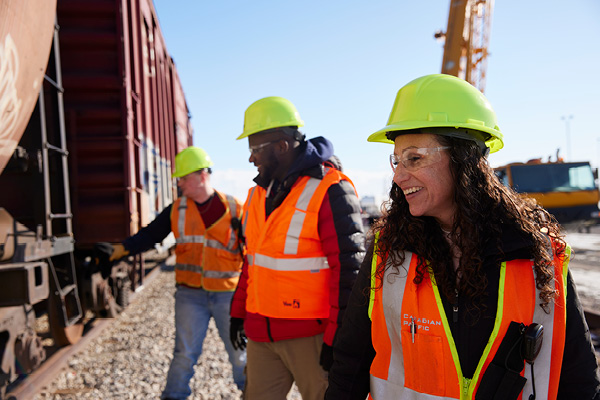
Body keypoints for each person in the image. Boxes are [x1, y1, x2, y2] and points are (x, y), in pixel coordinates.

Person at [325, 74, 600, 400]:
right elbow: (351, 363)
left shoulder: (539, 254)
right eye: (396, 160)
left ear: (463, 158)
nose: (398, 176)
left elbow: (578, 379)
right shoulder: (389, 252)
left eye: (414, 158)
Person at [229, 96, 366, 400]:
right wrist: (238, 313)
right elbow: (253, 260)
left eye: (255, 149)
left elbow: (349, 273)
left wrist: (337, 339)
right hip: (261, 334)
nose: (251, 159)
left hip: (312, 338)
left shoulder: (331, 189)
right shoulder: (256, 195)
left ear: (282, 146)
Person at [95, 146, 246, 400]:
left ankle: (251, 392)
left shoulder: (235, 208)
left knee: (239, 351)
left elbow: (251, 251)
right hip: (190, 295)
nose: (180, 184)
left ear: (202, 176)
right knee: (184, 354)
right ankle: (174, 396)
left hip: (227, 295)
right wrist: (120, 250)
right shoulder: (178, 209)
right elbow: (150, 235)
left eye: (184, 178)